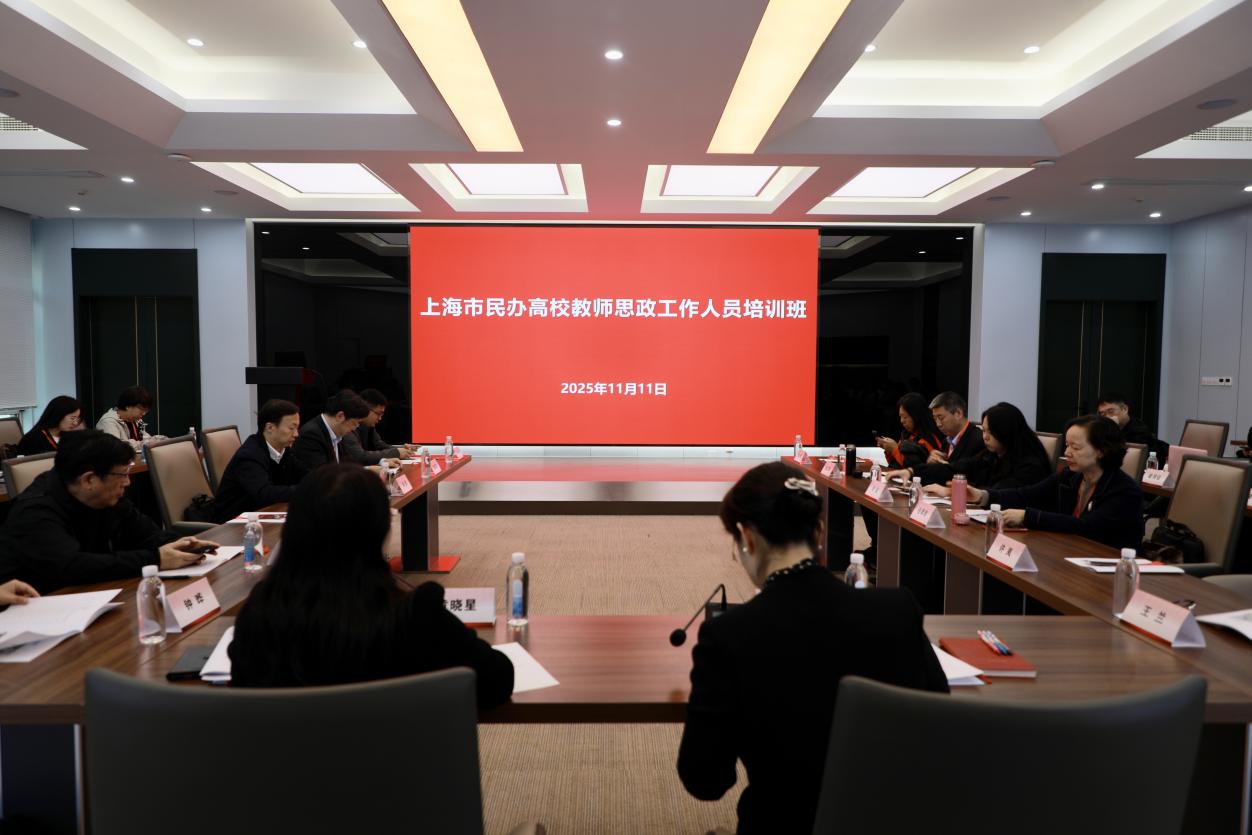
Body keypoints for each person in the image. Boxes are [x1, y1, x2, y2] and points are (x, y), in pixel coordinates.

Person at [676, 462, 948, 834]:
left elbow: (705, 779)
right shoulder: (897, 610)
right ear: (819, 532)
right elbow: (939, 720)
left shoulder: (729, 636)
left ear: (747, 537)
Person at [228, 464, 514, 706]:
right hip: (391, 758)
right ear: (379, 531)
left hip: (293, 758)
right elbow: (497, 680)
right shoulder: (414, 615)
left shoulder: (261, 613)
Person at [0, 430, 216, 593]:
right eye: (122, 474)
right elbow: (72, 566)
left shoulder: (107, 497)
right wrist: (156, 558)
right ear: (89, 480)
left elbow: (148, 535)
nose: (128, 482)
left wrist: (183, 545)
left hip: (93, 596)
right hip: (39, 610)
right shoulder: (35, 511)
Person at [966, 414, 1144, 550]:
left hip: (1108, 564)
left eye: (1075, 447)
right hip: (1069, 551)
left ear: (1101, 451)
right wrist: (982, 496)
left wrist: (1028, 517)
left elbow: (1087, 527)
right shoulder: (1070, 476)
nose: (1066, 453)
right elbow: (1027, 495)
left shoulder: (1124, 491)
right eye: (1067, 445)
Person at [208, 399, 309, 523]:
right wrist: (306, 490)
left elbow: (306, 475)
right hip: (232, 524)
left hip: (262, 517)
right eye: (291, 428)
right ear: (270, 427)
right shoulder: (249, 456)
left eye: (297, 428)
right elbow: (265, 494)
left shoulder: (284, 450)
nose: (296, 434)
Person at [921, 402, 1053, 496]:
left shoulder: (1030, 465)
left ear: (1006, 432)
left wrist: (951, 492)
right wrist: (913, 471)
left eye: (990, 432)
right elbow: (962, 467)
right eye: (984, 431)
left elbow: (1000, 493)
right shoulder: (991, 455)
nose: (985, 437)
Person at [899, 391, 986, 485]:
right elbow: (941, 475)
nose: (938, 424)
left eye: (941, 418)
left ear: (958, 413)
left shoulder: (979, 440)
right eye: (935, 419)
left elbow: (976, 480)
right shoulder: (946, 440)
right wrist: (931, 463)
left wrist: (943, 468)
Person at [290, 389, 371, 470]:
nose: (355, 428)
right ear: (340, 416)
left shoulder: (337, 432)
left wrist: (367, 470)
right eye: (354, 423)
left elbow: (347, 465)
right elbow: (322, 473)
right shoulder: (311, 435)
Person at [339, 389, 411, 465]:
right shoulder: (348, 426)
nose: (380, 418)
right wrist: (396, 452)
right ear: (366, 409)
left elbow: (379, 445)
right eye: (378, 414)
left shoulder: (367, 426)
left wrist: (401, 449)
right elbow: (359, 456)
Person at [875, 392, 944, 470]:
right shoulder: (906, 435)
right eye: (900, 417)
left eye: (905, 417)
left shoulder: (930, 439)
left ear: (916, 415)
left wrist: (894, 449)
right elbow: (896, 464)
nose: (902, 421)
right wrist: (889, 450)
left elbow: (917, 470)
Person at [1096, 393, 1168, 461]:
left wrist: (1112, 430)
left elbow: (1121, 458)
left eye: (1111, 412)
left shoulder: (1138, 431)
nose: (1107, 417)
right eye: (1103, 414)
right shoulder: (1104, 429)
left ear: (1125, 409)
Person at [15, 396, 83, 456]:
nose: (75, 423)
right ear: (58, 414)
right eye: (72, 418)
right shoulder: (33, 439)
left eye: (77, 419)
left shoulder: (70, 437)